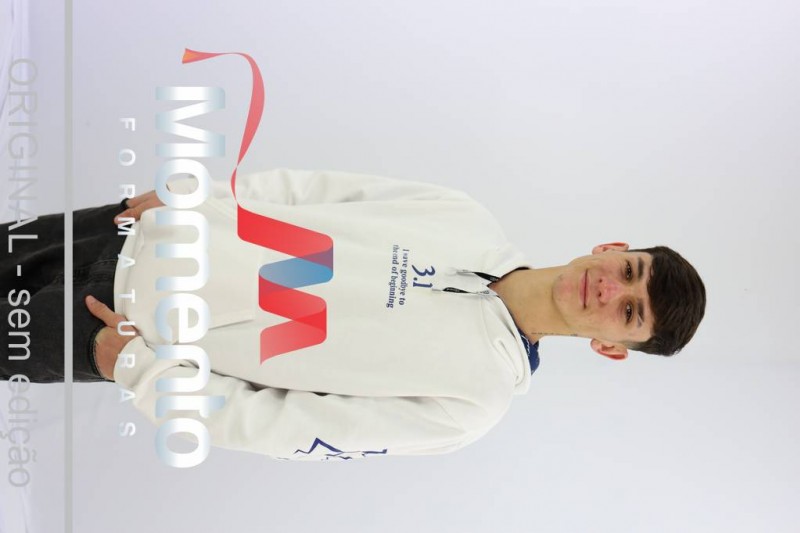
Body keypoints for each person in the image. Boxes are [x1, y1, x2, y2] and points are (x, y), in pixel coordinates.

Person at [2, 168, 706, 461]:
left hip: (115, 328)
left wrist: (137, 369)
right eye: (629, 272)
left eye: (629, 312)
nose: (609, 291)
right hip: (136, 228)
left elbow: (288, 428)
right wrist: (197, 196)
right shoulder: (463, 216)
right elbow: (311, 190)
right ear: (611, 249)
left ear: (612, 347)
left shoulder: (472, 404)